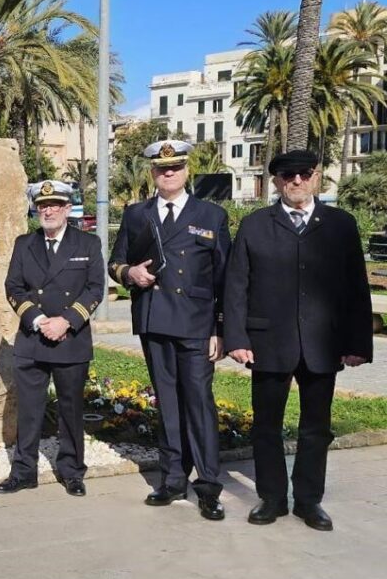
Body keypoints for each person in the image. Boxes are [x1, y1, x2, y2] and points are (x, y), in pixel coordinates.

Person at [224, 150, 373, 531]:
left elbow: (357, 288)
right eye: (288, 175)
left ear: (316, 177)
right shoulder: (255, 225)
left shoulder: (340, 224)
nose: (296, 181)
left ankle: (309, 501)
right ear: (276, 181)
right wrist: (236, 338)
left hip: (323, 343)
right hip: (268, 342)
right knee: (266, 427)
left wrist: (358, 343)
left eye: (304, 174)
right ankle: (272, 499)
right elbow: (236, 285)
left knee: (316, 428)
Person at [108, 140, 230, 521]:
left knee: (199, 404)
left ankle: (208, 487)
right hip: (155, 320)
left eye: (175, 167)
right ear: (153, 173)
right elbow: (115, 262)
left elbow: (225, 278)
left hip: (196, 325)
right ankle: (173, 478)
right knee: (168, 403)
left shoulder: (211, 215)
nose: (169, 173)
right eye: (162, 169)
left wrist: (220, 329)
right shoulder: (136, 214)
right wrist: (130, 273)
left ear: (186, 170)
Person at [0, 180, 105, 496]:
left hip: (71, 339)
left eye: (55, 205)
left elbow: (95, 289)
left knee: (71, 411)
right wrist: (38, 319)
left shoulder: (87, 244)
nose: (48, 211)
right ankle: (23, 471)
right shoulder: (24, 244)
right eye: (43, 206)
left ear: (68, 209)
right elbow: (13, 287)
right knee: (29, 411)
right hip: (33, 338)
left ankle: (72, 471)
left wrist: (66, 321)